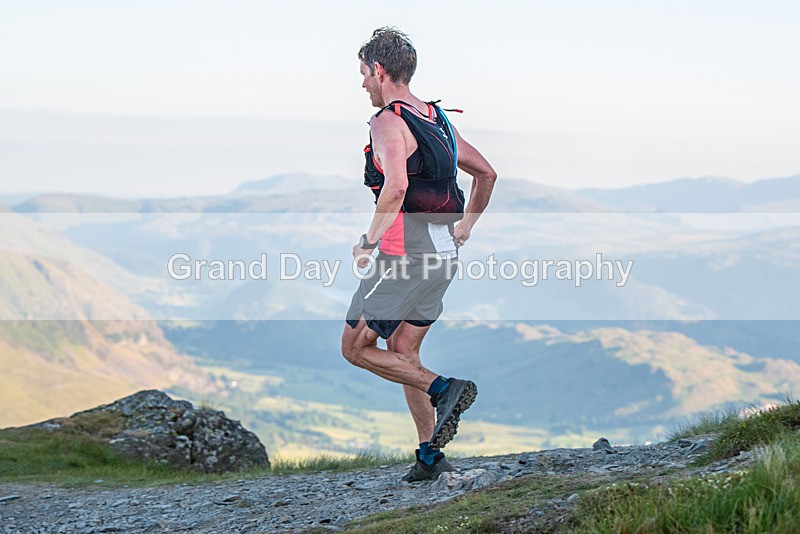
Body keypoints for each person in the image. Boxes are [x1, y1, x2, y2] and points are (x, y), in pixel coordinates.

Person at [341, 27, 496, 482]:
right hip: (443, 254)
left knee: (355, 348)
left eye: (364, 73)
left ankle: (445, 388)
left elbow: (396, 188)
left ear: (380, 70)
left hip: (403, 254)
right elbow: (485, 174)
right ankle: (430, 456)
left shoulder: (388, 120)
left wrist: (368, 242)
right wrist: (466, 225)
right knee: (402, 348)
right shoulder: (438, 119)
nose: (363, 83)